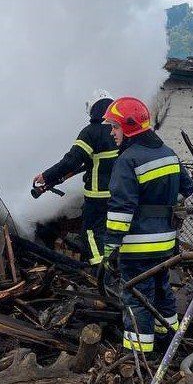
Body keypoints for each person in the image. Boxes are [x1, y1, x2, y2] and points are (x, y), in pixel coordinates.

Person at [102, 96, 193, 355]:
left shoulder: (128, 160)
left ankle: (138, 355)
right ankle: (168, 341)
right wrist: (160, 204)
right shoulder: (168, 153)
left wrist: (110, 247)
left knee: (137, 298)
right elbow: (187, 187)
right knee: (162, 291)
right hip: (165, 244)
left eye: (115, 127)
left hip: (137, 246)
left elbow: (121, 210)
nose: (112, 133)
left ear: (128, 128)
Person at [34, 90, 120, 266]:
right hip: (122, 194)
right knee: (114, 232)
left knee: (91, 233)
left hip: (99, 196)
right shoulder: (121, 130)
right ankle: (116, 268)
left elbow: (71, 161)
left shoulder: (91, 132)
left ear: (93, 110)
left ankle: (101, 271)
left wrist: (46, 176)